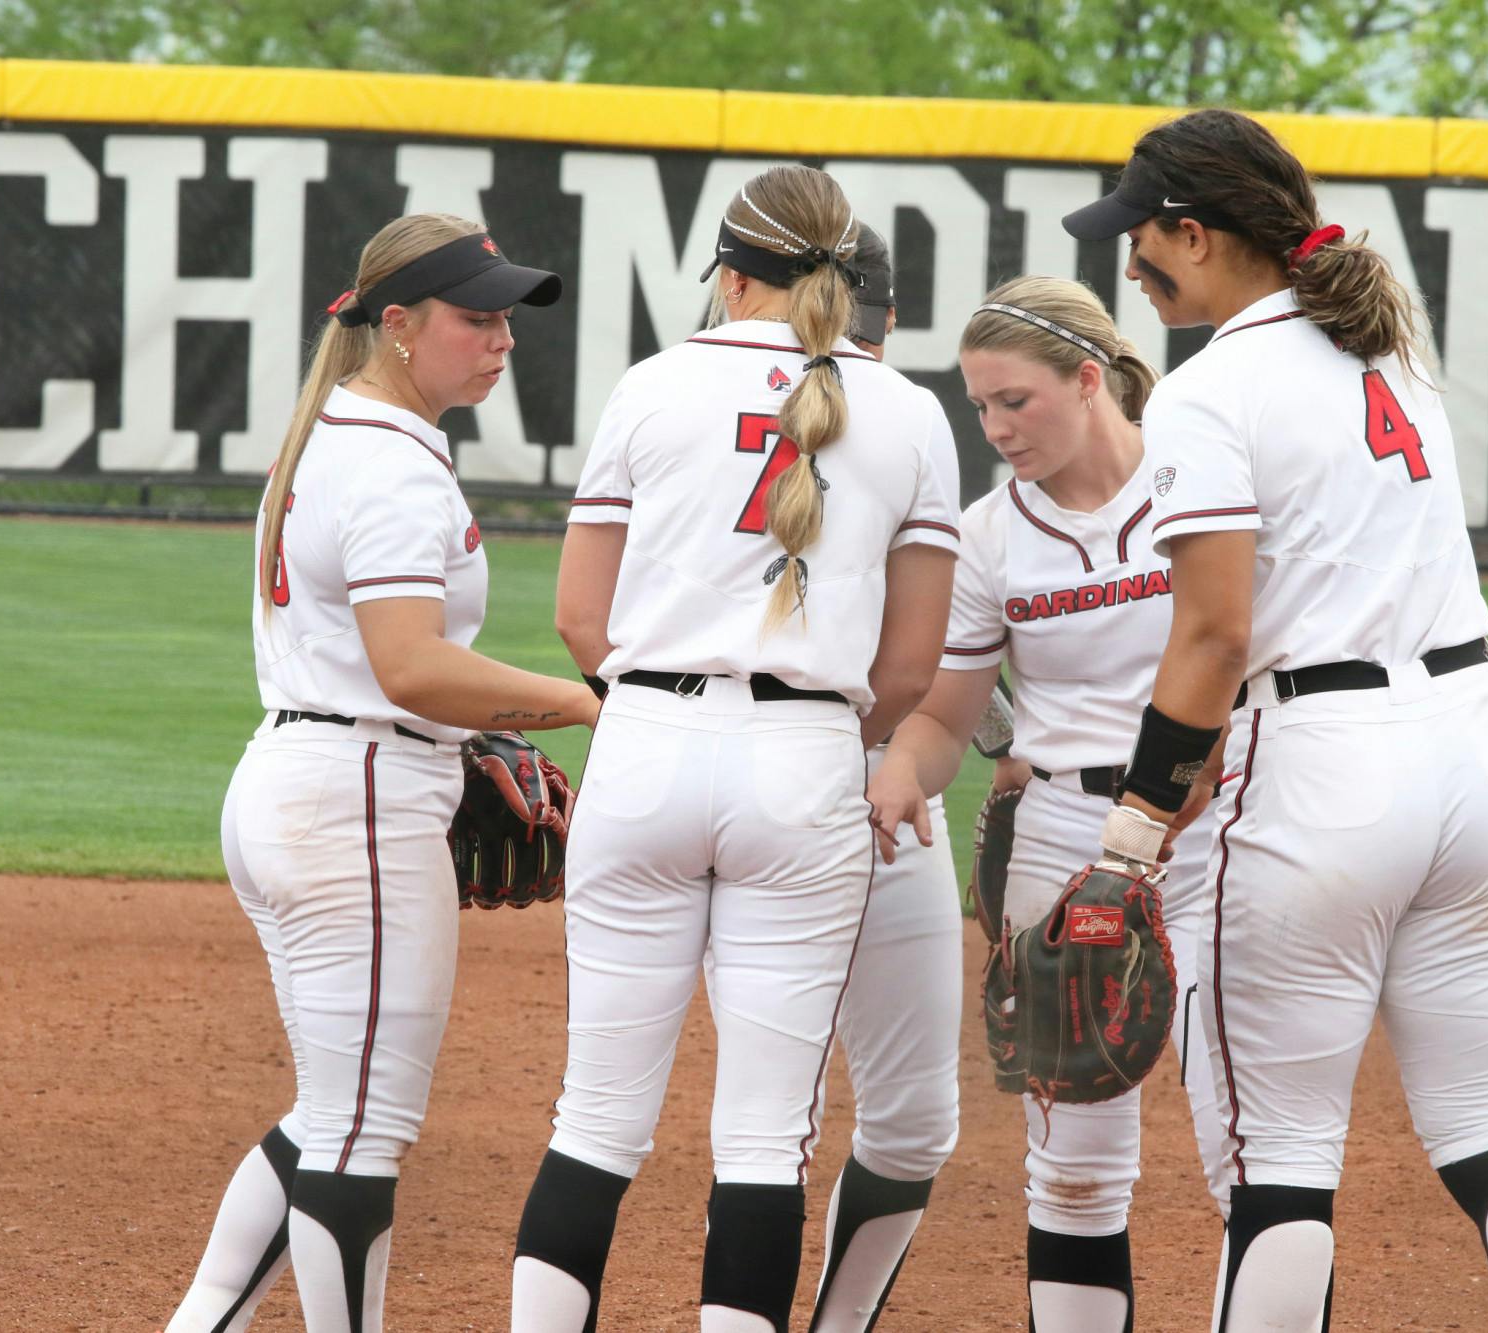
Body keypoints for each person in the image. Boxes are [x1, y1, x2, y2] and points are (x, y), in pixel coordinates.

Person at [1065, 108, 1488, 1331]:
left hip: (1318, 776)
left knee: (1278, 1174)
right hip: (1480, 758)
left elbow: (1213, 635)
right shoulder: (1386, 351)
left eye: (1141, 238)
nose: (1131, 263)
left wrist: (1130, 836)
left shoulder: (1209, 391)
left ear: (1193, 235)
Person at [510, 166, 962, 1333]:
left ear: (729, 272)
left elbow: (578, 618)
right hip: (807, 757)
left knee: (594, 1122)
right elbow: (911, 669)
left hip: (646, 739)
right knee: (763, 1139)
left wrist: (665, 710)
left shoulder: (652, 384)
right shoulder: (910, 413)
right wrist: (814, 738)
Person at [164, 213, 598, 1333]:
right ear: (397, 325)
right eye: (476, 317)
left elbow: (393, 668)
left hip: (300, 780)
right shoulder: (391, 462)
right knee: (362, 1128)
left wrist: (481, 724)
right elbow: (411, 669)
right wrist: (594, 701)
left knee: (331, 1112)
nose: (501, 339)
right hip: (352, 796)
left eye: (506, 318)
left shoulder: (337, 431)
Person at [866, 275, 1230, 1333]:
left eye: (1013, 400)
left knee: (1249, 1139)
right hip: (1067, 838)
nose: (993, 427)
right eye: (978, 406)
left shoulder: (1195, 479)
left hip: (1217, 826)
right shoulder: (988, 536)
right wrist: (899, 771)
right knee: (1073, 1166)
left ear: (1087, 377)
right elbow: (945, 715)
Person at [795, 222, 962, 1333]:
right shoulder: (715, 414)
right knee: (777, 1122)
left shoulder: (907, 435)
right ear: (889, 320)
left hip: (892, 787)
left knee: (906, 1126)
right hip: (794, 788)